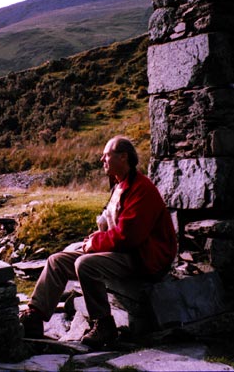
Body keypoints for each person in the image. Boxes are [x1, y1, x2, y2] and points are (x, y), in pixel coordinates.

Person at [19, 135, 177, 349]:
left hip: (145, 258)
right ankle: (35, 317)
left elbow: (128, 237)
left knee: (85, 264)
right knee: (57, 261)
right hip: (123, 253)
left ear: (123, 157)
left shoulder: (142, 189)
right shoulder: (120, 185)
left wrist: (94, 244)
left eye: (106, 155)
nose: (102, 159)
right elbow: (115, 229)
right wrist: (94, 238)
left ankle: (104, 325)